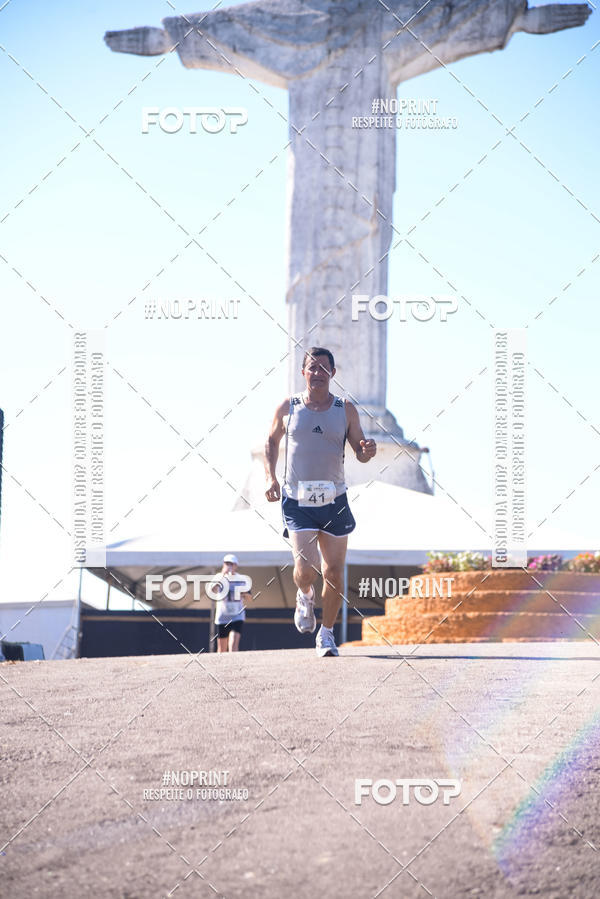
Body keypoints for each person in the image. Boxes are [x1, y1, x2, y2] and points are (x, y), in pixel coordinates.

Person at [264, 347, 376, 657]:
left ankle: (326, 634)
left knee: (335, 572)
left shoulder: (345, 409)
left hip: (334, 499)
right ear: (303, 373)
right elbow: (271, 442)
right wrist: (270, 477)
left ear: (333, 373)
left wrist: (367, 450)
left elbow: (360, 452)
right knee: (305, 569)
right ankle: (305, 594)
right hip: (297, 500)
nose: (318, 373)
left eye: (324, 368)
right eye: (312, 368)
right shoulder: (288, 407)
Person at [213, 554, 252, 653]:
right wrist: (222, 576)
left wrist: (242, 592)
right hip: (222, 617)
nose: (229, 566)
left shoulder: (241, 579)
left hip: (237, 616)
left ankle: (233, 665)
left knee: (233, 644)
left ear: (236, 566)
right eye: (227, 563)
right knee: (221, 648)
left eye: (231, 564)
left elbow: (250, 598)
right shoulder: (218, 577)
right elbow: (212, 590)